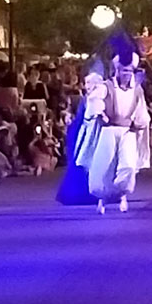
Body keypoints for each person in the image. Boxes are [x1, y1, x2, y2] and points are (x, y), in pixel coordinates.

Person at [85, 48, 151, 214]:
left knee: (128, 165)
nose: (127, 74)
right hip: (109, 131)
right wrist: (100, 113)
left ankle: (121, 194)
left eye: (129, 71)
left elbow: (141, 110)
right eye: (123, 70)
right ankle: (102, 198)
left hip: (127, 131)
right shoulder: (107, 86)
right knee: (104, 166)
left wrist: (140, 122)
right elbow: (94, 100)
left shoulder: (136, 90)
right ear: (117, 70)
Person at [57, 70, 103, 205]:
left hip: (93, 133)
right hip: (78, 132)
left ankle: (93, 191)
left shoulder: (99, 99)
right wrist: (67, 115)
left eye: (90, 82)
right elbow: (70, 110)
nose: (87, 85)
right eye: (86, 82)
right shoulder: (79, 98)